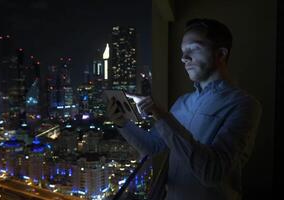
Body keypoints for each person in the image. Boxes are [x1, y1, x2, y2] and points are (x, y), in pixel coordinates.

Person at [107, 18, 262, 200]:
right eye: (182, 52)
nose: (184, 58)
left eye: (194, 49)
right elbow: (153, 147)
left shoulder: (244, 105)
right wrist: (123, 123)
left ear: (220, 54)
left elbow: (213, 173)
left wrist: (162, 115)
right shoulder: (183, 102)